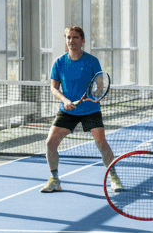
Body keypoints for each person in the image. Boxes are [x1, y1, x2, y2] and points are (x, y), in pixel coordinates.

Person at [41, 26, 116, 193]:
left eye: (75, 37)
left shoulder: (91, 61)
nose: (71, 41)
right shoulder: (59, 62)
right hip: (67, 110)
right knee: (50, 143)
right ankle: (54, 179)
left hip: (90, 109)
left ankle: (114, 176)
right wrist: (66, 100)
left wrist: (94, 95)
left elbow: (100, 86)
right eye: (68, 37)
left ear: (82, 40)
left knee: (101, 143)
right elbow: (54, 88)